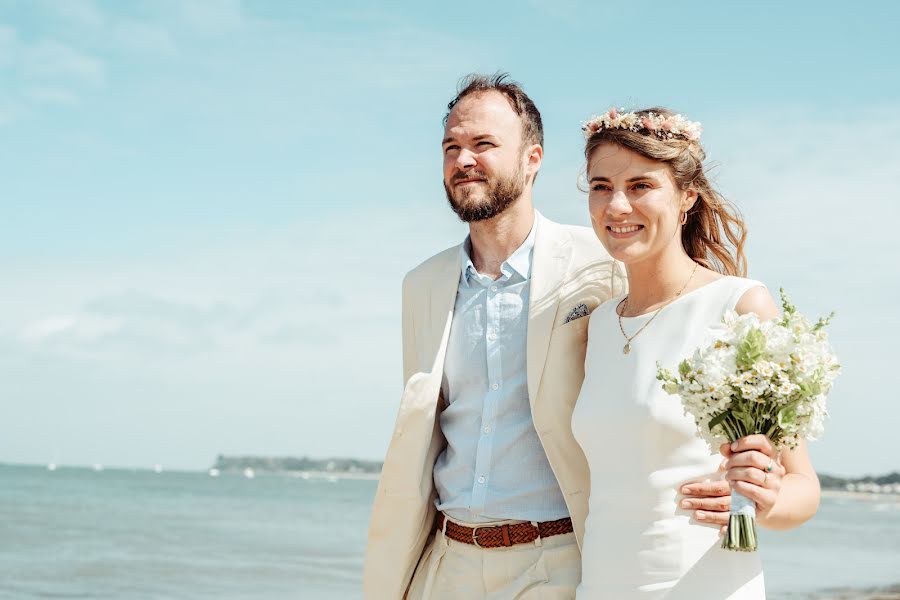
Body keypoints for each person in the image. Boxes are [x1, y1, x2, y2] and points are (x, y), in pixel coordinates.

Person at [363, 75, 734, 600]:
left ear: (533, 158)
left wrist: (730, 480)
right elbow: (427, 431)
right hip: (446, 563)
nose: (463, 159)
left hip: (558, 561)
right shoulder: (421, 285)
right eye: (452, 146)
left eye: (484, 144)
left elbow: (674, 350)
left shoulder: (603, 263)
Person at [572, 107, 821, 599]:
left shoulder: (740, 306)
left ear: (687, 196)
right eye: (600, 186)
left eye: (641, 186)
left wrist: (763, 501)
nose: (616, 205)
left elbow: (803, 487)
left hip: (704, 584)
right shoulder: (598, 324)